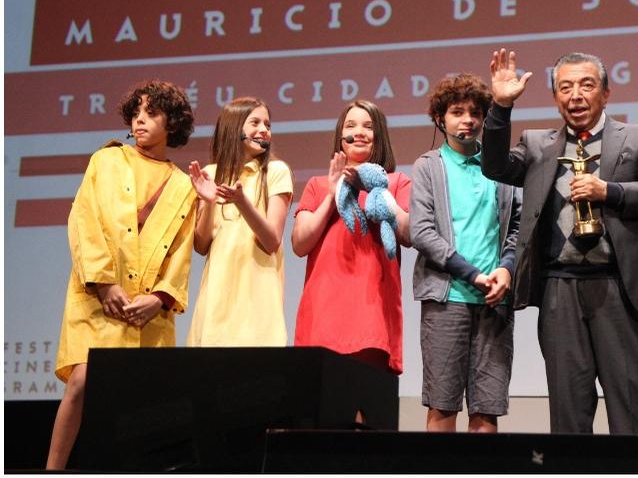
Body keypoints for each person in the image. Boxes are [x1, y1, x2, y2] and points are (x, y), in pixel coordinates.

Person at [481, 49, 638, 435]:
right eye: (565, 87)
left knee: (631, 412)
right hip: (560, 290)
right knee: (568, 417)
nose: (576, 95)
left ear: (606, 93)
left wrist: (610, 190)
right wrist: (501, 108)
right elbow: (495, 167)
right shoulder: (538, 144)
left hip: (622, 291)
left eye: (587, 85)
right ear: (556, 97)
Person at [47, 80, 196, 469]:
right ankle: (52, 470)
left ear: (173, 121)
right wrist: (103, 282)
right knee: (81, 383)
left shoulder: (183, 184)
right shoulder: (107, 161)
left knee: (143, 402)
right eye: (136, 113)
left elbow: (181, 249)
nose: (140, 120)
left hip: (147, 309)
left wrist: (161, 298)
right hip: (99, 298)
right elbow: (84, 219)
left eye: (152, 113)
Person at [410, 73, 521, 433]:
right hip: (448, 297)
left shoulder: (502, 166)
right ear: (440, 119)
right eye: (457, 112)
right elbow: (422, 231)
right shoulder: (429, 165)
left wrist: (505, 269)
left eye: (476, 112)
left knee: (487, 409)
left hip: (494, 299)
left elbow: (518, 227)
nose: (468, 120)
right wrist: (472, 274)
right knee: (443, 405)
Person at [292, 100, 410, 375]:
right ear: (340, 137)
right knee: (323, 411)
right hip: (323, 310)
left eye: (368, 126)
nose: (359, 132)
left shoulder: (396, 181)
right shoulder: (317, 185)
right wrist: (333, 194)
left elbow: (408, 232)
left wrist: (379, 192)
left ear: (379, 136)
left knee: (363, 409)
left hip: (373, 310)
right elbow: (300, 243)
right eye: (351, 125)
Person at [186, 98, 293, 347]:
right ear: (234, 128)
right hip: (215, 304)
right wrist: (209, 201)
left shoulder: (276, 172)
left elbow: (271, 241)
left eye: (267, 123)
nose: (264, 129)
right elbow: (201, 246)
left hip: (258, 305)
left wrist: (242, 202)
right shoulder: (211, 174)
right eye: (254, 122)